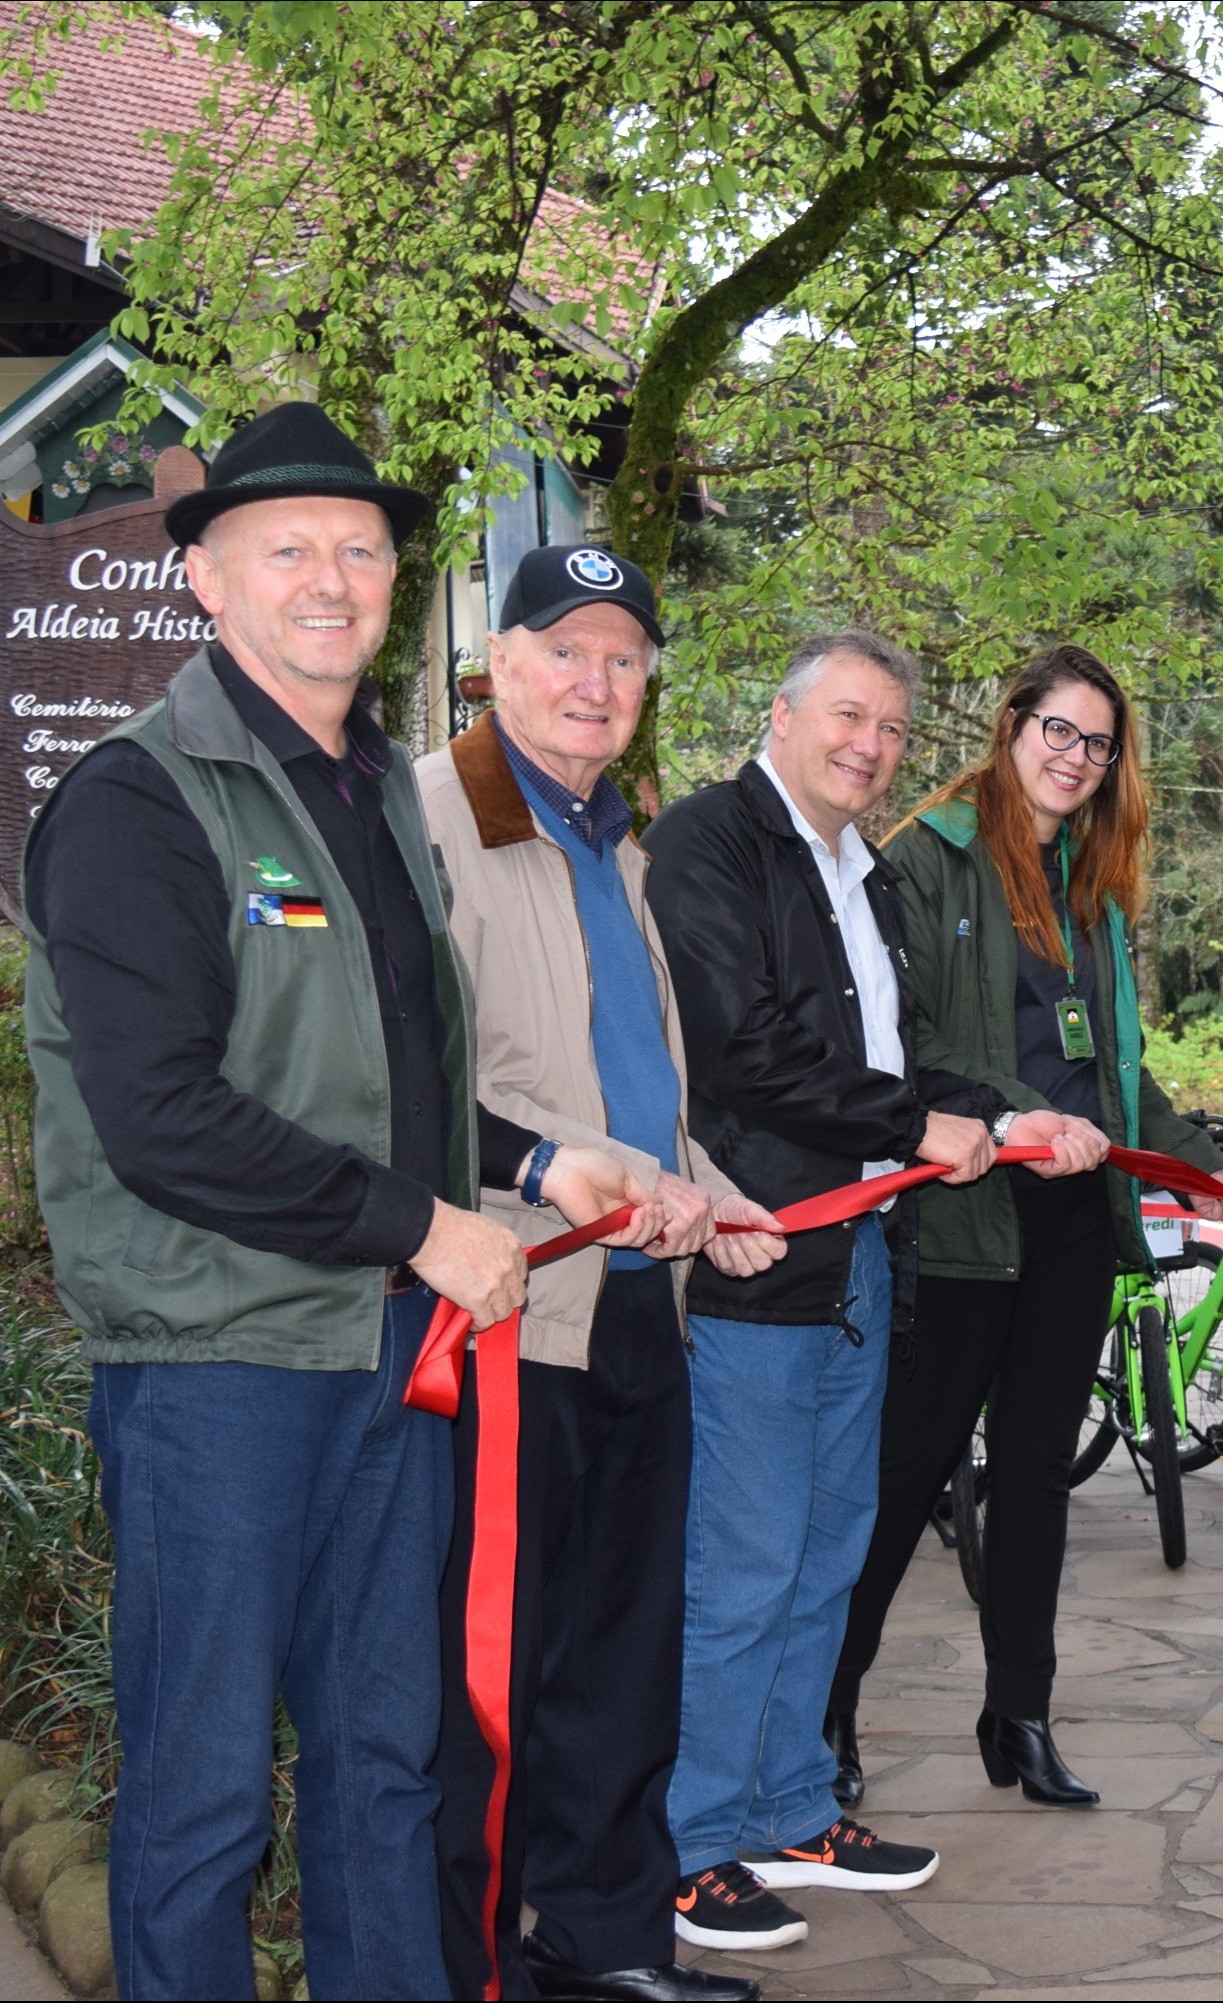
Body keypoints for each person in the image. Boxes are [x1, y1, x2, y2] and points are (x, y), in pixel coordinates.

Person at [19, 403, 647, 2000]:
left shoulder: (374, 798)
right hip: (221, 1368)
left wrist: (521, 1161)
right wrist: (425, 1227)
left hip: (392, 1357)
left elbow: (390, 1079)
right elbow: (162, 1118)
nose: (332, 577)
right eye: (286, 547)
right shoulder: (139, 801)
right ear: (207, 584)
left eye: (360, 549)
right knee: (202, 1796)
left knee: (388, 1768)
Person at [419, 545, 789, 2003]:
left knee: (623, 1654)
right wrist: (536, 1168)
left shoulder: (610, 836)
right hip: (512, 1307)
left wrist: (719, 1186)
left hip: (639, 1297)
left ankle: (607, 1947)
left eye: (624, 658)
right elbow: (405, 1079)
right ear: (497, 662)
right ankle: (474, 1968)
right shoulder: (431, 815)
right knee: (496, 1675)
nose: (596, 680)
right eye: (565, 649)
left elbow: (639, 1094)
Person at [826, 642, 1223, 1810]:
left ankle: (1019, 1714)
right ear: (1011, 725)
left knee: (1033, 1478)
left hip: (1070, 1223)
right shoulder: (923, 857)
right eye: (1057, 730)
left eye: (1097, 742)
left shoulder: (1090, 883)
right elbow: (913, 1048)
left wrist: (1203, 1164)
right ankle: (827, 1716)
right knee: (906, 1472)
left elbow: (1114, 1072)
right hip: (965, 1214)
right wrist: (1018, 1117)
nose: (1075, 757)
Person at [644, 633, 1003, 1954]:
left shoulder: (872, 870)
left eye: (894, 727)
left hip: (856, 1258)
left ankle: (791, 1802)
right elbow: (741, 1053)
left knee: (831, 1551)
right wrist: (913, 1124)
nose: (870, 744)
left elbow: (896, 1050)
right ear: (781, 714)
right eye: (848, 715)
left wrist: (995, 1121)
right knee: (738, 1563)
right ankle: (688, 1839)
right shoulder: (709, 844)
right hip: (750, 1253)